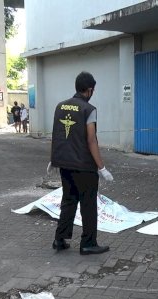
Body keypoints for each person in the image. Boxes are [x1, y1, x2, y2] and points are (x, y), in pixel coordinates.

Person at [50, 71, 113, 255]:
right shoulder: (89, 109)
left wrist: (53, 159)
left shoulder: (60, 106)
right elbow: (91, 140)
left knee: (68, 201)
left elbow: (57, 134)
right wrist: (102, 167)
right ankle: (88, 243)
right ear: (90, 90)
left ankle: (59, 239)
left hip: (65, 164)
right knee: (88, 204)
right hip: (84, 166)